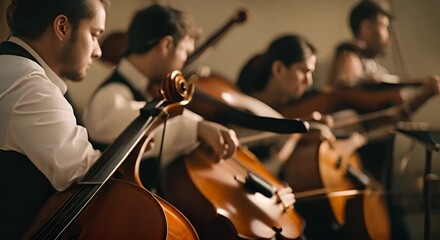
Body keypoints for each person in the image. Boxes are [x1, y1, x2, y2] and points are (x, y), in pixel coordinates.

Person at [0, 1, 235, 239]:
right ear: (62, 27)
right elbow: (82, 176)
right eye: (94, 35)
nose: (98, 51)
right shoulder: (29, 85)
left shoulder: (13, 69)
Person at [326, 0, 440, 90]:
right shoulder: (348, 56)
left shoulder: (374, 67)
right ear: (366, 28)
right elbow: (347, 91)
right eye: (384, 27)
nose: (388, 36)